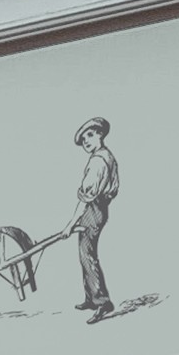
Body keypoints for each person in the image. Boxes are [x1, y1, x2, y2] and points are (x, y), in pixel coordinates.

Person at [68, 117, 119, 322]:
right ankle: (91, 298)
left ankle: (102, 302)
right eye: (83, 140)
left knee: (88, 255)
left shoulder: (99, 161)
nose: (86, 142)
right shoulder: (106, 156)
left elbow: (85, 197)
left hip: (94, 209)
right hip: (97, 208)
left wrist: (70, 225)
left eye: (89, 135)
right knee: (85, 254)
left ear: (100, 134)